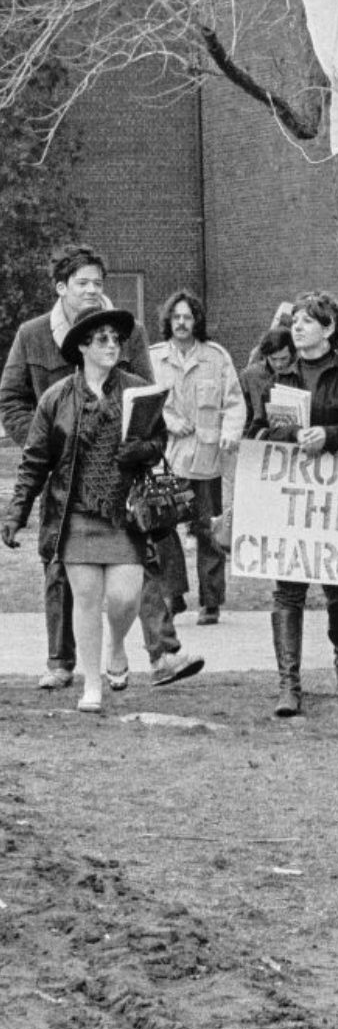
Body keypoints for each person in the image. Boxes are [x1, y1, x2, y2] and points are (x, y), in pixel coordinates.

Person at [0, 243, 201, 690]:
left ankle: (160, 652)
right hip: (62, 470)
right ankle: (62, 661)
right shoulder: (33, 335)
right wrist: (44, 437)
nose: (92, 290)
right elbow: (12, 397)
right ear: (61, 288)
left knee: (138, 566)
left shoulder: (128, 331)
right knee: (61, 568)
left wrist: (140, 445)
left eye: (98, 283)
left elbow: (148, 399)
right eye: (82, 283)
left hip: (124, 478)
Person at [1, 309, 169, 710]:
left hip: (123, 513)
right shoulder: (56, 397)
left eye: (116, 339)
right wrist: (16, 513)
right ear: (82, 347)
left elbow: (159, 441)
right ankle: (91, 685)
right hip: (74, 514)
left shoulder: (138, 390)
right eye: (102, 340)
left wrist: (140, 450)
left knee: (126, 597)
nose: (112, 346)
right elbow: (35, 460)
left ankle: (117, 648)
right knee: (88, 599)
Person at [260, 292, 338, 714]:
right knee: (287, 594)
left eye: (308, 321)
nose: (297, 327)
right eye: (295, 320)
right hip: (292, 504)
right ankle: (288, 685)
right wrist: (286, 436)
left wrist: (330, 437)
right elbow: (261, 431)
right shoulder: (280, 378)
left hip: (336, 507)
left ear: (329, 329)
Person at [150, 290, 245, 626]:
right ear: (167, 321)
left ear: (197, 320)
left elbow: (234, 401)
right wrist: (167, 421)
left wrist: (231, 432)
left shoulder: (216, 358)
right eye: (175, 317)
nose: (181, 323)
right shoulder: (154, 359)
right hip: (168, 461)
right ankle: (172, 594)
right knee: (162, 528)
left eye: (187, 317)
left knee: (208, 529)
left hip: (207, 459)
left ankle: (211, 600)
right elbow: (144, 404)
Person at [239, 326, 296, 437]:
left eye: (284, 358)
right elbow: (243, 417)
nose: (278, 364)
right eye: (273, 359)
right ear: (265, 356)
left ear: (292, 355)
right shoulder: (250, 376)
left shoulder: (299, 374)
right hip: (260, 438)